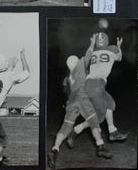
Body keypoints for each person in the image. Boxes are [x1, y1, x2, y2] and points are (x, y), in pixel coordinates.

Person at [48, 34, 112, 170]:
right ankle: (100, 146)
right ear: (76, 61)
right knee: (94, 120)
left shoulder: (68, 77)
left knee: (65, 127)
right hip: (82, 98)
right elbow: (89, 54)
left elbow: (66, 91)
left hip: (71, 102)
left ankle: (54, 150)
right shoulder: (80, 64)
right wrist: (92, 43)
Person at [67, 32, 128, 148]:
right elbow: (119, 58)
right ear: (107, 41)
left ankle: (112, 131)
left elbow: (87, 58)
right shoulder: (112, 48)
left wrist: (92, 43)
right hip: (97, 85)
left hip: (90, 84)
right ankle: (76, 130)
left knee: (110, 103)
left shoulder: (94, 51)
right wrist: (119, 47)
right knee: (99, 117)